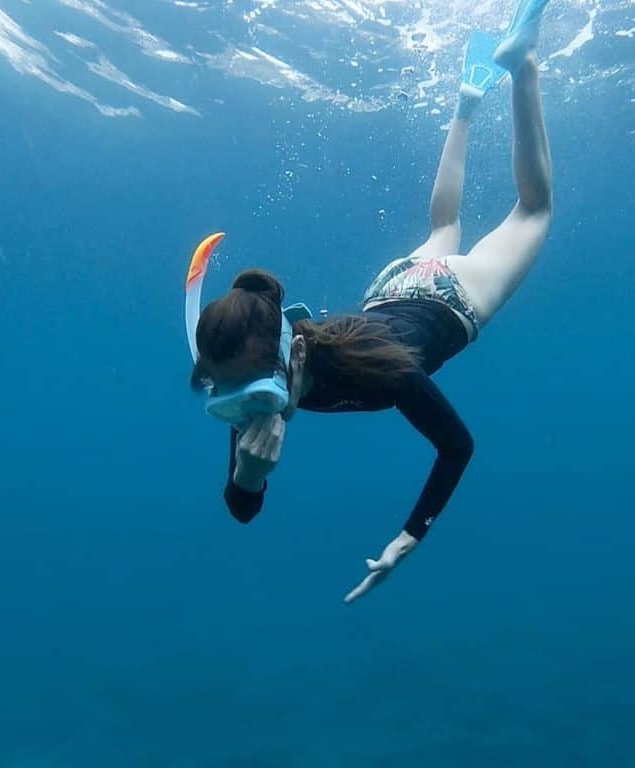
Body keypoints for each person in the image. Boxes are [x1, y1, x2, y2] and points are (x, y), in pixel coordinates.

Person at [188, 0, 554, 603]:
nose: (245, 410)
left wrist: (410, 537)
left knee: (533, 210)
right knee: (443, 230)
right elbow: (242, 510)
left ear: (288, 361)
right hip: (390, 293)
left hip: (448, 298)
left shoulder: (387, 374)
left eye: (250, 396)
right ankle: (465, 102)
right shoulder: (254, 372)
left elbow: (457, 446)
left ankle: (524, 66)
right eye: (225, 396)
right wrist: (247, 477)